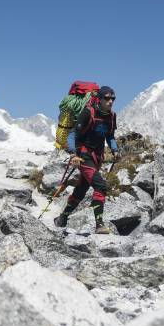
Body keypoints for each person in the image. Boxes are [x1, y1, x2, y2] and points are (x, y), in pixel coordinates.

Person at [54, 86, 120, 234]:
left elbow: (110, 136)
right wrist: (73, 154)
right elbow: (72, 134)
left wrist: (115, 149)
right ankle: (99, 225)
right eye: (107, 98)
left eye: (113, 99)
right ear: (99, 98)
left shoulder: (111, 116)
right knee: (100, 186)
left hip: (97, 157)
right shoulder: (88, 112)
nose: (110, 101)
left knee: (81, 189)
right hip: (83, 156)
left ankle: (62, 218)